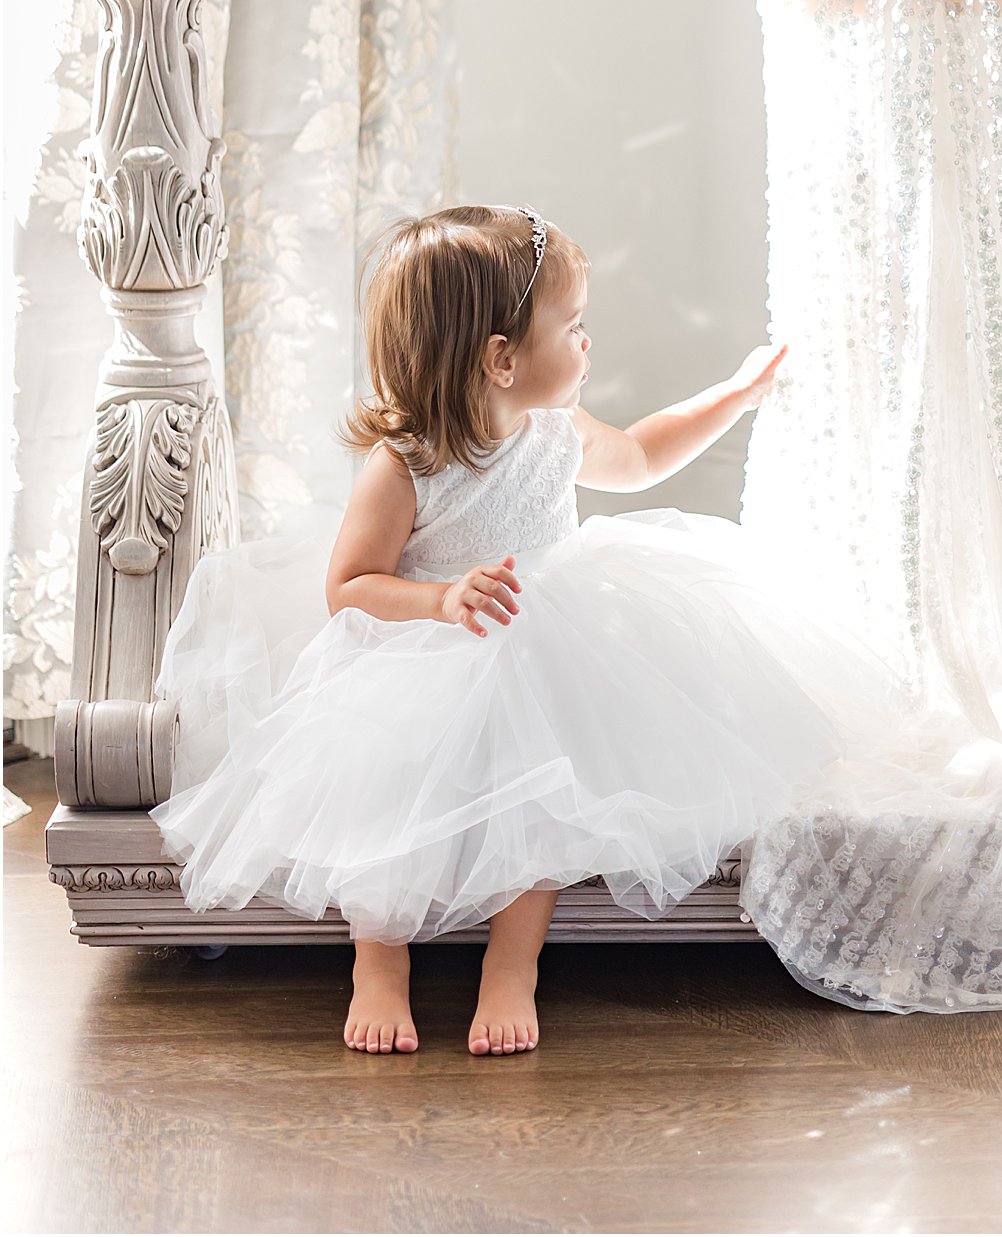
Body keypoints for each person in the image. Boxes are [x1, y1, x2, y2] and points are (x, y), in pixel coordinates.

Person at [149, 204, 907, 1056]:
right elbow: (349, 585)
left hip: (548, 642)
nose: (588, 343)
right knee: (382, 796)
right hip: (424, 656)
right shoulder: (408, 463)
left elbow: (645, 454)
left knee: (550, 787)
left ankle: (513, 965)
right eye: (573, 325)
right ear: (501, 357)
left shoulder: (555, 433)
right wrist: (438, 601)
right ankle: (378, 958)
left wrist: (734, 396)